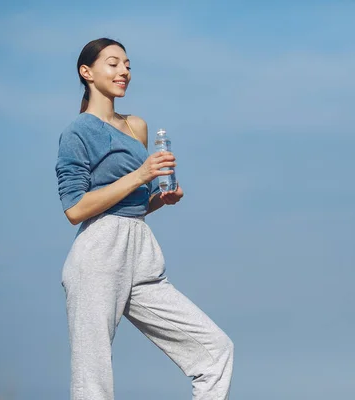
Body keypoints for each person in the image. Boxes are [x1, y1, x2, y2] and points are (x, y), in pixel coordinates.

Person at [55, 38, 234, 400]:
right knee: (94, 380)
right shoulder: (78, 132)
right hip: (98, 252)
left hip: (142, 251)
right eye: (113, 63)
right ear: (86, 72)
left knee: (215, 349)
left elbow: (131, 205)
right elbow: (75, 209)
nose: (124, 71)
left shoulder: (136, 126)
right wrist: (140, 176)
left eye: (128, 65)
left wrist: (159, 200)